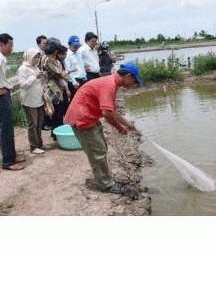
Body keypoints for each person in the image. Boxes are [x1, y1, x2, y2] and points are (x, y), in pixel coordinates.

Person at [64, 62, 143, 194]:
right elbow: (106, 114)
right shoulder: (110, 84)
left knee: (101, 148)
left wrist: (126, 124)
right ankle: (106, 185)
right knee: (97, 153)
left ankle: (106, 179)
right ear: (129, 76)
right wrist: (119, 128)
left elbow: (111, 110)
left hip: (90, 116)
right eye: (134, 81)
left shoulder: (112, 82)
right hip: (82, 118)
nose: (133, 85)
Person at [0, 33, 26, 170]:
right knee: (5, 129)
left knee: (9, 127)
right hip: (0, 96)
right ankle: (8, 161)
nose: (11, 49)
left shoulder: (1, 57)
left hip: (4, 94)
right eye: (9, 46)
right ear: (1, 45)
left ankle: (12, 155)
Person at [17, 48, 47, 154]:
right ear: (29, 57)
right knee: (33, 124)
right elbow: (23, 84)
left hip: (39, 98)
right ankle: (33, 147)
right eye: (35, 57)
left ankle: (39, 143)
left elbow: (39, 82)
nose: (37, 60)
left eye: (38, 57)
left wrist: (43, 78)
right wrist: (35, 77)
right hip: (29, 100)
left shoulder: (36, 68)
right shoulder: (23, 68)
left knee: (39, 123)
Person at [42, 41, 72, 141]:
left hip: (59, 88)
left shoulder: (56, 61)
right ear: (55, 51)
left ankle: (58, 132)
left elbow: (60, 74)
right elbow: (59, 73)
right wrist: (64, 74)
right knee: (56, 112)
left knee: (60, 110)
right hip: (52, 89)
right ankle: (56, 134)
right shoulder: (48, 60)